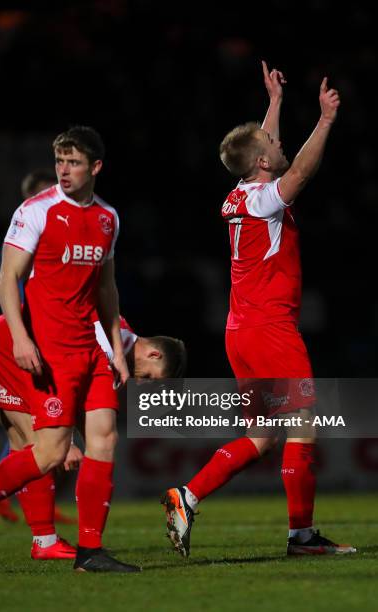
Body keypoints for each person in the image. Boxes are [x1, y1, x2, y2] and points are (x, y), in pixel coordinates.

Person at [162, 62, 356, 557]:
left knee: (262, 435)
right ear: (265, 163)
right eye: (274, 147)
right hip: (269, 327)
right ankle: (302, 536)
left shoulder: (241, 194)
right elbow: (302, 171)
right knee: (304, 420)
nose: (279, 145)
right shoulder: (267, 199)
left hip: (242, 330)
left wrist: (274, 102)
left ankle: (187, 495)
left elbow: (261, 148)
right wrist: (326, 120)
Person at [0, 125, 141, 572]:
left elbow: (106, 288)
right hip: (51, 353)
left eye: (73, 163)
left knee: (105, 438)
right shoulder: (36, 211)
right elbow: (7, 279)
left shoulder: (109, 217)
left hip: (90, 349)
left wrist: (118, 351)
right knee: (48, 453)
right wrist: (21, 337)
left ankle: (89, 551)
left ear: (96, 167)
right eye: (60, 162)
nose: (64, 171)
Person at [0, 312, 186, 559]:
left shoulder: (118, 332)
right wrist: (67, 440)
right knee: (38, 445)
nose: (141, 384)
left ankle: (43, 540)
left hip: (6, 336)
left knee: (23, 442)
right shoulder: (107, 344)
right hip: (11, 342)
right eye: (150, 378)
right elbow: (66, 372)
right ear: (154, 354)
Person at [0, 167, 77, 528]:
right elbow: (13, 287)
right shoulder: (27, 239)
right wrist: (22, 336)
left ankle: (27, 510)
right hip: (28, 337)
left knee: (30, 435)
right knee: (39, 436)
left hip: (36, 334)